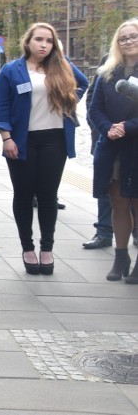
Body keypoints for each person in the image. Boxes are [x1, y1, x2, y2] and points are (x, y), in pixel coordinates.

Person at [0, 23, 88, 275]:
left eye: (49, 40)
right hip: (22, 140)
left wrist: (67, 102)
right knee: (23, 194)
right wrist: (6, 138)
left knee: (48, 195)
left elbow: (84, 83)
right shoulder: (11, 70)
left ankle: (47, 248)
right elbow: (2, 108)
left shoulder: (62, 66)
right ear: (28, 42)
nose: (44, 45)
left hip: (54, 140)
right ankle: (27, 247)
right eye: (39, 39)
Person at [88, 18, 138, 283]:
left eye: (133, 36)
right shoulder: (107, 72)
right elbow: (94, 109)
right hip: (114, 147)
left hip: (136, 145)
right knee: (118, 204)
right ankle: (121, 256)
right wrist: (108, 128)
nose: (128, 41)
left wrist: (127, 127)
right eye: (123, 38)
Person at [83, 57, 114, 249]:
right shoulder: (108, 62)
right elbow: (92, 101)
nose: (129, 41)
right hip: (107, 138)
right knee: (106, 187)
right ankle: (104, 232)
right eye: (125, 38)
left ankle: (135, 233)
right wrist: (102, 128)